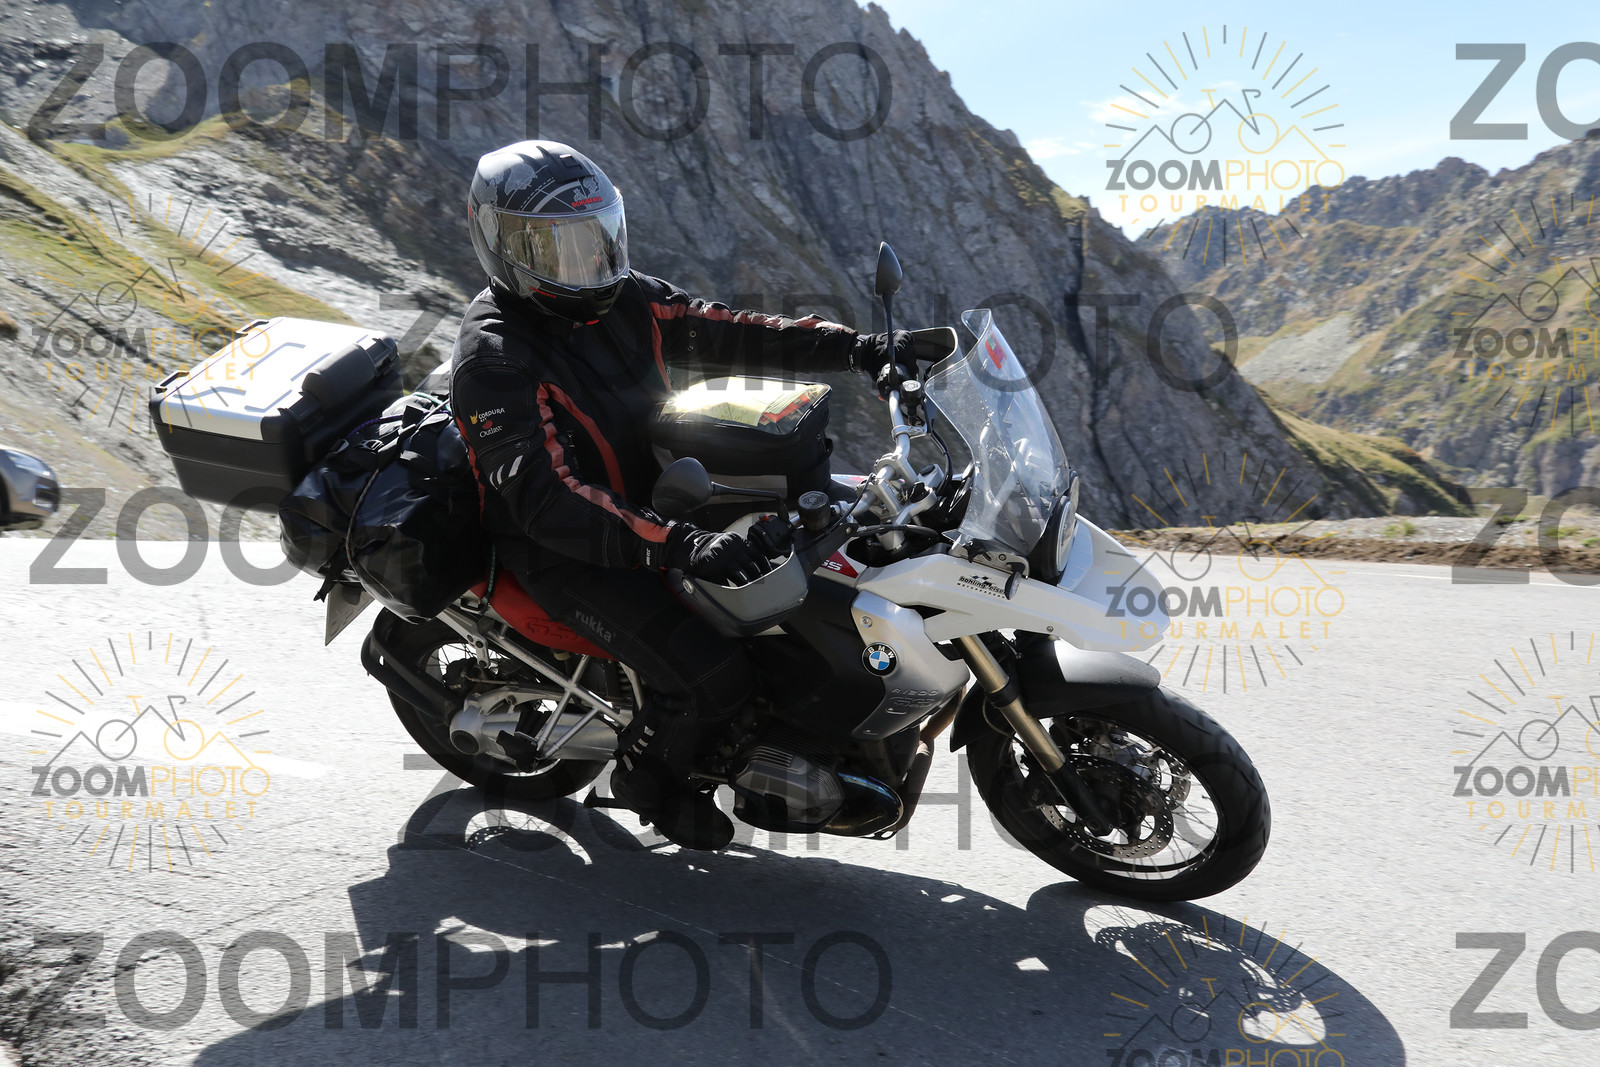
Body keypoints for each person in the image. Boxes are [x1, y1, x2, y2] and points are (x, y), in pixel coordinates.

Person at [451, 139, 911, 850]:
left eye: (596, 240)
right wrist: (685, 545)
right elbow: (550, 501)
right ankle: (651, 784)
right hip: (567, 548)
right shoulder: (495, 359)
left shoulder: (625, 300)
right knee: (712, 675)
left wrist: (856, 349)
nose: (586, 264)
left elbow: (732, 331)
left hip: (663, 502)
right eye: (558, 249)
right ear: (501, 246)